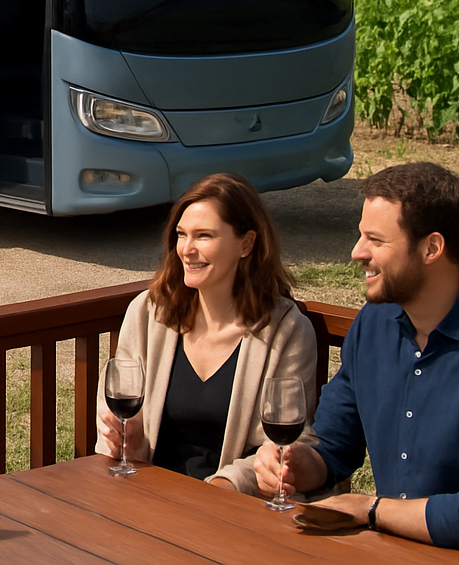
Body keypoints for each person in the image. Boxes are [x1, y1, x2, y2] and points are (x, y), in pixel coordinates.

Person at [254, 162, 459, 548]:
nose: (357, 252)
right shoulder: (375, 324)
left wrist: (372, 509)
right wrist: (300, 465)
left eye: (376, 240)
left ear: (431, 248)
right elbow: (335, 446)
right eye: (359, 236)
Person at [96, 173, 318, 494]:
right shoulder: (149, 312)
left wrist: (228, 484)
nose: (186, 249)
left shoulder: (286, 330)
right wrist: (128, 440)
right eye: (181, 234)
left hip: (231, 508)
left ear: (246, 243)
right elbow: (115, 417)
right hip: (146, 496)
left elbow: (286, 445)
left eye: (204, 236)